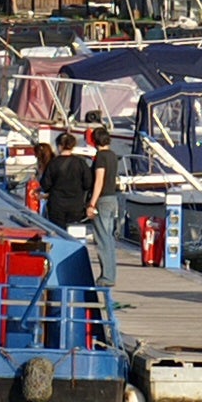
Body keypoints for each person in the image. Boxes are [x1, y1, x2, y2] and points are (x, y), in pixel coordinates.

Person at [86, 122, 123, 285]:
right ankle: (111, 274)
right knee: (108, 238)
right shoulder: (113, 155)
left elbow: (99, 180)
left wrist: (91, 203)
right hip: (113, 198)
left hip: (102, 199)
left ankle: (106, 277)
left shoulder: (100, 157)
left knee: (101, 239)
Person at [43, 133, 95, 231]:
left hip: (56, 204)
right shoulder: (80, 163)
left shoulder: (53, 163)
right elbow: (88, 183)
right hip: (76, 204)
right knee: (74, 232)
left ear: (59, 146)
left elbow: (46, 185)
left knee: (57, 232)